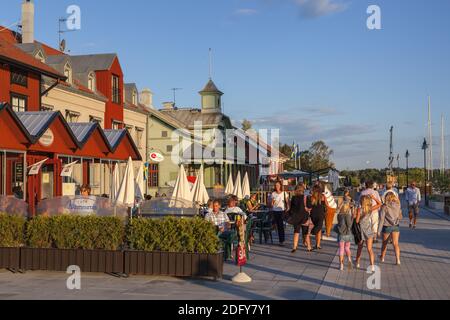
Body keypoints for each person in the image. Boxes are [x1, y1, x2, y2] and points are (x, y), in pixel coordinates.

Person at [355, 194, 381, 272]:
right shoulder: (370, 209)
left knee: (360, 247)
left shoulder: (359, 209)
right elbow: (379, 204)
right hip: (368, 230)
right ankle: (372, 266)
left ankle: (357, 263)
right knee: (370, 249)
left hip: (361, 231)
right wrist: (374, 197)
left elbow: (356, 221)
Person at [378, 192, 402, 266]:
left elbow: (381, 219)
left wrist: (378, 231)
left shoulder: (384, 207)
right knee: (396, 244)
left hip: (386, 226)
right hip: (396, 226)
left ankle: (382, 257)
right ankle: (398, 260)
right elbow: (400, 216)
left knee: (384, 243)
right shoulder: (398, 205)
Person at [289, 184, 313, 253]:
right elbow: (310, 206)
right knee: (305, 232)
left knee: (296, 232)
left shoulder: (293, 198)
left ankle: (294, 247)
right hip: (304, 217)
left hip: (296, 217)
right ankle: (309, 247)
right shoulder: (306, 197)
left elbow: (291, 209)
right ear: (302, 190)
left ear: (296, 190)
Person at [336, 190, 355, 271]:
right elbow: (350, 225)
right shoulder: (348, 215)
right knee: (347, 248)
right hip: (348, 233)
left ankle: (341, 265)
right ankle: (349, 259)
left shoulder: (339, 215)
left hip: (341, 233)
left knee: (341, 249)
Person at [269, 181, 290, 246]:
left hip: (281, 211)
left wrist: (288, 207)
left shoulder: (284, 193)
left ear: (280, 186)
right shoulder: (273, 194)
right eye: (276, 185)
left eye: (278, 185)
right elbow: (271, 204)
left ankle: (282, 240)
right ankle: (280, 239)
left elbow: (287, 201)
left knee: (280, 226)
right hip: (275, 211)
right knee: (276, 226)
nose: (277, 186)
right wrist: (272, 203)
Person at [310, 185, 327, 250]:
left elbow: (310, 205)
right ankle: (318, 244)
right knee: (319, 228)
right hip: (320, 214)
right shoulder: (323, 197)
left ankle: (317, 244)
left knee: (318, 228)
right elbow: (327, 205)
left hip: (313, 214)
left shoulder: (312, 197)